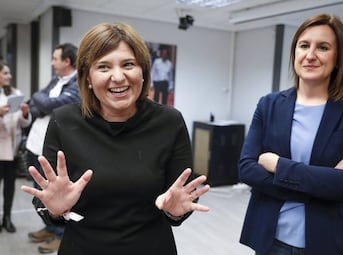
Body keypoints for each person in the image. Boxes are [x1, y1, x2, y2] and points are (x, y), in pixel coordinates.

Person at [21, 22, 210, 255]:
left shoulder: (169, 121)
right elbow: (47, 203)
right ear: (87, 77)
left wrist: (175, 211)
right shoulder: (65, 120)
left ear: (143, 72)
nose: (118, 77)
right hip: (82, 248)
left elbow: (179, 200)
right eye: (103, 67)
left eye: (128, 64)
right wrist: (55, 210)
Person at [238, 13, 343, 255]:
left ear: (338, 57)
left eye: (323, 47)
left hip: (334, 240)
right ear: (295, 52)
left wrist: (278, 165)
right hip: (273, 239)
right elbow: (247, 168)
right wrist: (326, 178)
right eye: (304, 45)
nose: (310, 55)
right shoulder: (268, 104)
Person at [25, 43, 80, 254]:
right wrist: (44, 102)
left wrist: (44, 103)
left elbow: (46, 104)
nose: (52, 62)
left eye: (55, 58)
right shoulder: (56, 80)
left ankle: (59, 235)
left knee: (54, 194)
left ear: (67, 61)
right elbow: (36, 102)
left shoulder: (77, 83)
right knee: (41, 194)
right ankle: (49, 227)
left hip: (51, 151)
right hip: (35, 145)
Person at [0, 60, 32, 233]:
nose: (9, 76)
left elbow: (21, 121)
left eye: (9, 73)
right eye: (5, 73)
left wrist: (25, 113)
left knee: (10, 186)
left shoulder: (15, 93)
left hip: (13, 147)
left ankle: (7, 219)